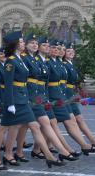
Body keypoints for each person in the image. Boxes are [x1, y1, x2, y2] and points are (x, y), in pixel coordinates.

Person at [0, 31, 64, 170]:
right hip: (14, 100)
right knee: (2, 129)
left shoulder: (19, 59)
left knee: (34, 126)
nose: (23, 43)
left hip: (23, 99)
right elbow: (8, 84)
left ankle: (48, 157)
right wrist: (10, 103)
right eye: (21, 42)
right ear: (15, 44)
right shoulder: (11, 61)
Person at [15, 34, 78, 162]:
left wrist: (46, 98)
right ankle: (61, 151)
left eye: (36, 43)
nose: (34, 45)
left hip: (40, 95)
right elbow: (23, 80)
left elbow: (44, 81)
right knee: (31, 124)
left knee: (30, 125)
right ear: (26, 45)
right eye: (31, 43)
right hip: (31, 96)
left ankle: (22, 151)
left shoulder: (36, 60)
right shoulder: (24, 58)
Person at [47, 40, 95, 155]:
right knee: (50, 123)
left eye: (62, 49)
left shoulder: (60, 63)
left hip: (63, 94)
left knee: (59, 122)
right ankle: (75, 147)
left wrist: (78, 92)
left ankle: (85, 144)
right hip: (56, 96)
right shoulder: (54, 62)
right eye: (58, 49)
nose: (60, 51)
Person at [63, 43, 95, 149]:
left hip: (71, 93)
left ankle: (93, 141)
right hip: (66, 95)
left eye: (72, 51)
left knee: (79, 119)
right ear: (64, 53)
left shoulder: (71, 64)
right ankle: (84, 144)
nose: (71, 53)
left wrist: (80, 94)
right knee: (66, 122)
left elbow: (75, 82)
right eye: (68, 51)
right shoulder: (64, 65)